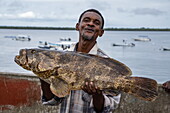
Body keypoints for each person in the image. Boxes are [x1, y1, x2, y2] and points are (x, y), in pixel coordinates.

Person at [39, 9, 121, 113]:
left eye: (96, 23)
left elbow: (107, 109)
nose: (90, 24)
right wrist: (44, 77)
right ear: (77, 26)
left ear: (101, 32)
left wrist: (97, 94)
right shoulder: (60, 58)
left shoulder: (107, 65)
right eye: (86, 20)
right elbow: (52, 101)